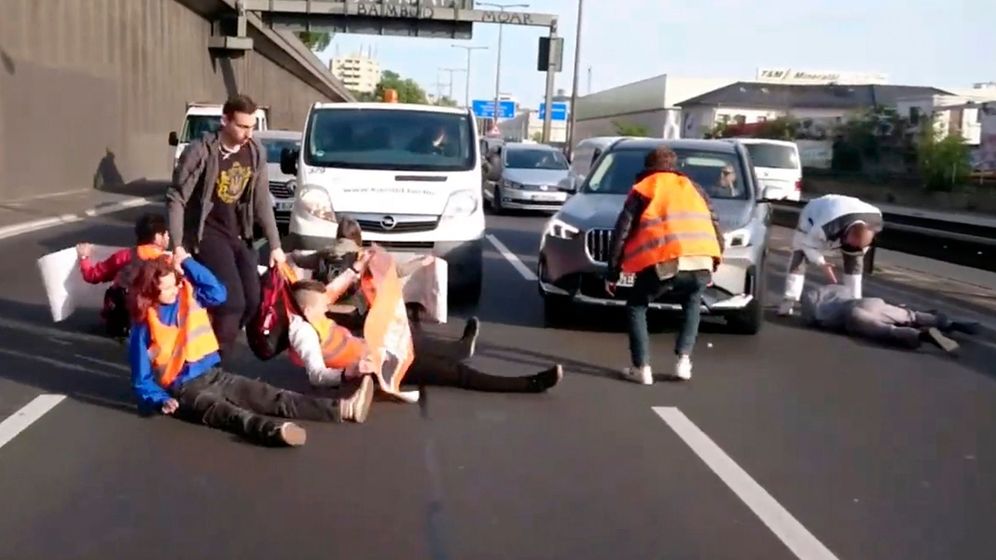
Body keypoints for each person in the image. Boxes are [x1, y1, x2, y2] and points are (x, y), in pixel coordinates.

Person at [127, 254, 373, 447]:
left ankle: (343, 409)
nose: (174, 290)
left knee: (271, 396)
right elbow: (142, 380)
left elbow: (218, 292)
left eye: (175, 284)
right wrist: (160, 400)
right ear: (151, 291)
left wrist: (187, 262)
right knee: (232, 416)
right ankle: (277, 432)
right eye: (166, 289)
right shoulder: (144, 327)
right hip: (184, 389)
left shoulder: (189, 297)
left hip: (214, 374)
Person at [167, 94, 285, 363]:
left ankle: (210, 334)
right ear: (225, 121)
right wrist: (177, 246)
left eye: (252, 127)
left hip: (239, 232)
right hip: (206, 233)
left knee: (253, 301)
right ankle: (212, 363)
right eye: (242, 126)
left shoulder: (255, 152)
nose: (248, 133)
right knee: (232, 302)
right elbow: (176, 197)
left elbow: (261, 200)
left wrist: (275, 246)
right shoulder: (201, 151)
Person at [288, 278, 563, 393]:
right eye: (323, 303)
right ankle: (530, 383)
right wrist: (350, 372)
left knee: (415, 340)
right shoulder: (306, 334)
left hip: (381, 351)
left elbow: (332, 291)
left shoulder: (320, 317)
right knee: (455, 374)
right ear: (309, 308)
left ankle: (461, 347)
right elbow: (316, 375)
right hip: (383, 369)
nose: (328, 304)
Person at [605, 145, 725, 384]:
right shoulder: (695, 189)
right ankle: (683, 361)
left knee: (637, 305)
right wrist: (714, 262)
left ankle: (642, 368)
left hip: (665, 260)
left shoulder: (644, 188)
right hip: (701, 258)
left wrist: (613, 271)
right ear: (674, 166)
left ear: (649, 167)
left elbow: (622, 230)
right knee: (692, 302)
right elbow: (714, 225)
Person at [778, 194, 883, 317]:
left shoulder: (876, 221)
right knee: (800, 254)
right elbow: (807, 245)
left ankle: (854, 302)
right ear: (846, 233)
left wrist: (856, 250)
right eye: (849, 244)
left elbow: (860, 247)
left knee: (855, 261)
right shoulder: (826, 227)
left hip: (849, 210)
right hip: (814, 213)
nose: (850, 248)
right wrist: (821, 263)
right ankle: (789, 299)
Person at [800, 284, 980, 353]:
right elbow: (846, 289)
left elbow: (813, 321)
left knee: (888, 331)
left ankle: (921, 336)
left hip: (850, 316)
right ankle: (949, 323)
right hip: (868, 302)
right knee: (911, 315)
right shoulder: (836, 289)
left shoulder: (810, 302)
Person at [76, 213, 170, 338]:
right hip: (159, 324)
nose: (169, 237)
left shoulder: (125, 256)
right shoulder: (169, 261)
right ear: (158, 237)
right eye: (166, 234)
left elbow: (92, 275)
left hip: (122, 320)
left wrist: (84, 257)